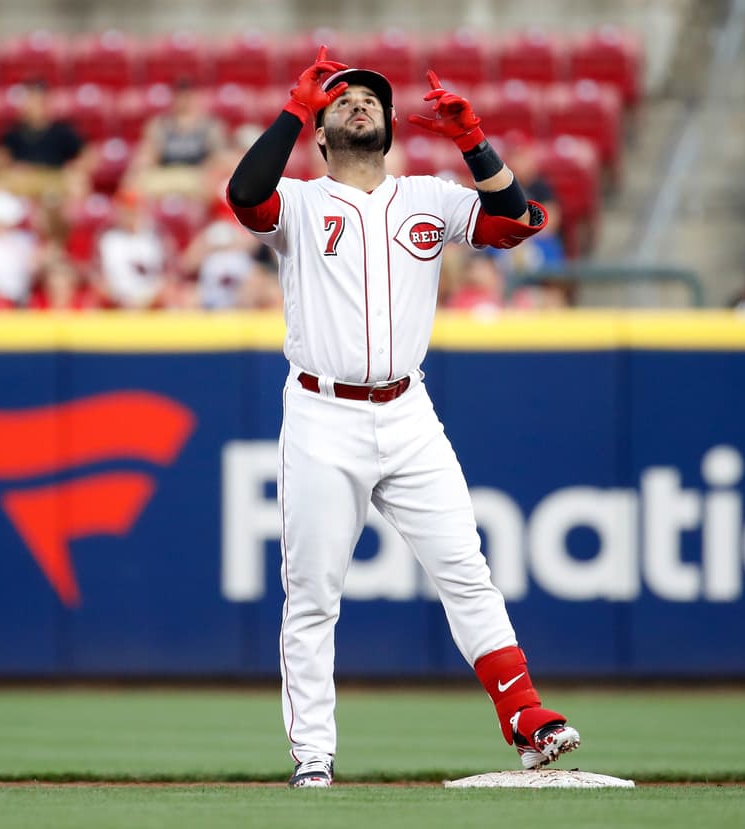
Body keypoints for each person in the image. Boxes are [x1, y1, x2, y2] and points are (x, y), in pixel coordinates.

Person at [227, 48, 580, 789]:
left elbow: (516, 223)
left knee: (466, 569)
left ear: (389, 125)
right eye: (343, 98)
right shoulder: (299, 201)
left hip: (408, 409)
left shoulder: (431, 197)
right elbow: (244, 194)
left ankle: (529, 720)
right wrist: (293, 108)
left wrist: (473, 140)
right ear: (321, 129)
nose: (359, 103)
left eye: (371, 99)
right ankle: (314, 758)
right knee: (315, 594)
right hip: (323, 413)